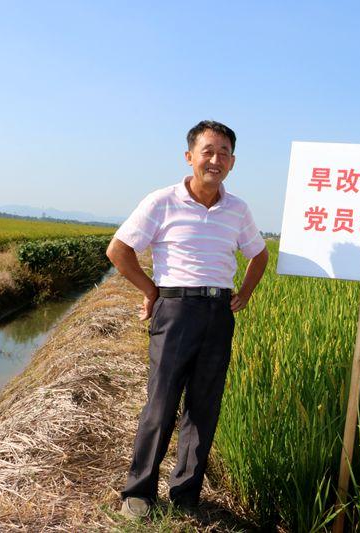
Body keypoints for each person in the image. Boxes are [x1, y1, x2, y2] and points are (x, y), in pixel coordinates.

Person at [106, 120, 268, 519]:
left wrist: (245, 293)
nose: (215, 160)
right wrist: (151, 291)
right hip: (176, 310)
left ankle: (186, 494)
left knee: (204, 405)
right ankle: (139, 492)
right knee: (161, 403)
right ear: (189, 156)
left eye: (224, 153)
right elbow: (119, 250)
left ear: (232, 162)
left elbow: (259, 254)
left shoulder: (238, 209)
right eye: (207, 151)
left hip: (218, 312)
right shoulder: (162, 201)